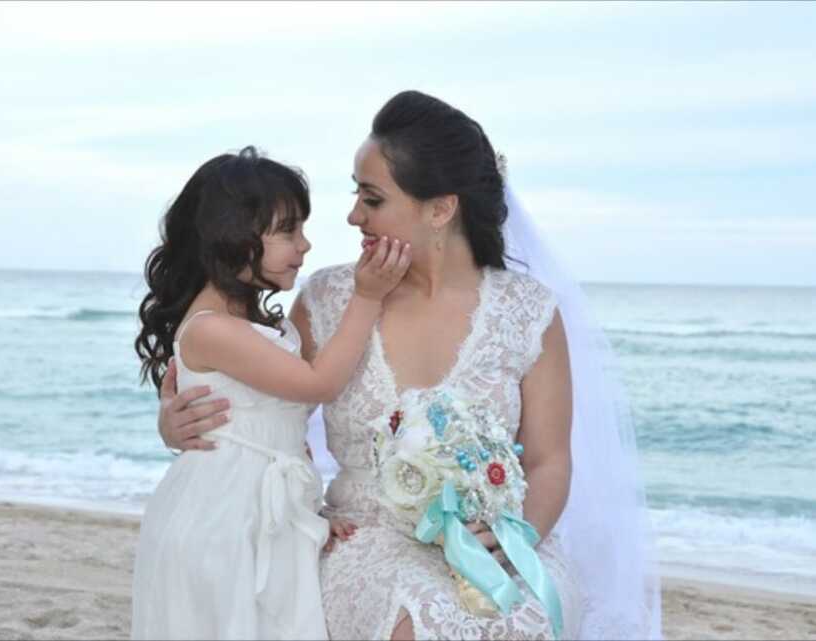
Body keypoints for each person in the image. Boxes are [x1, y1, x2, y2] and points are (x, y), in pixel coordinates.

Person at [158, 93, 662, 640]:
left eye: (371, 199)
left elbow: (549, 461)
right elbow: (264, 403)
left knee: (517, 616)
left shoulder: (528, 312)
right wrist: (173, 418)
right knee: (418, 624)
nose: (353, 216)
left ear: (440, 209)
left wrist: (514, 535)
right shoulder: (328, 298)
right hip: (365, 538)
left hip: (505, 535)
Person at [131, 146, 411, 640]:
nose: (304, 246)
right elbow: (318, 384)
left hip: (263, 507)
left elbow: (274, 422)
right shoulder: (212, 328)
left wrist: (312, 512)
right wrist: (368, 297)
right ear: (230, 237)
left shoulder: (254, 322)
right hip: (224, 517)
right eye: (287, 231)